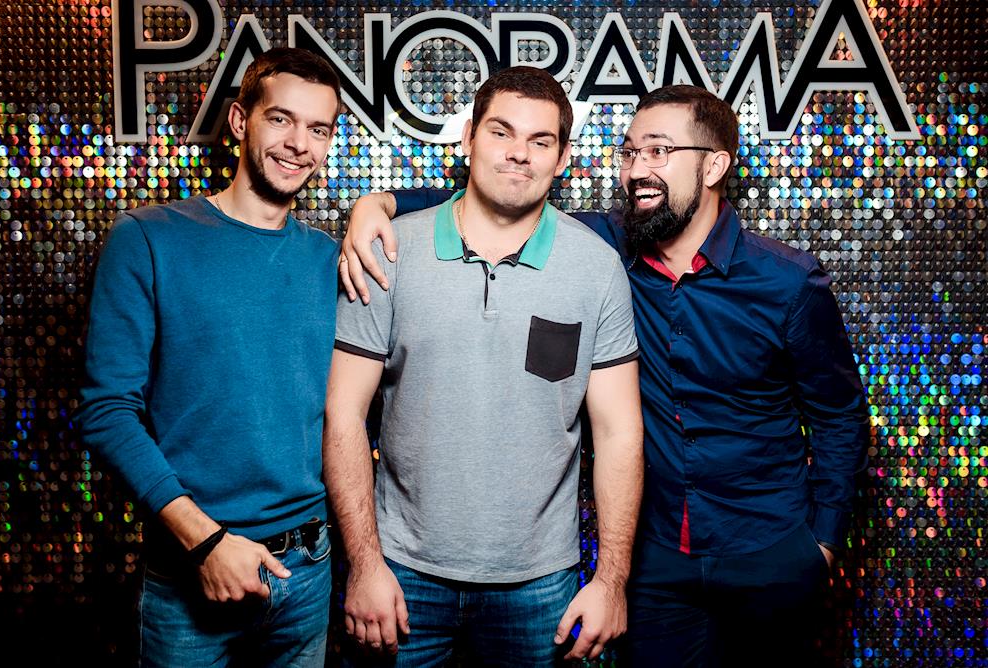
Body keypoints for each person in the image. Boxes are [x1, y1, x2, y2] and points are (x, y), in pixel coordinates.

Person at [340, 84, 870, 667]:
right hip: (658, 559)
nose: (638, 169)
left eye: (660, 151)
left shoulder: (786, 282)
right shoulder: (610, 244)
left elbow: (840, 416)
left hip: (768, 546)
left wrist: (823, 540)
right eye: (631, 152)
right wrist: (379, 204)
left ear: (714, 166)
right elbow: (501, 193)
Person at [323, 66, 643, 666]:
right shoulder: (390, 249)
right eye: (501, 132)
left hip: (541, 585)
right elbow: (343, 414)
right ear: (469, 137)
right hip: (402, 575)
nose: (519, 153)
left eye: (540, 141)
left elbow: (619, 434)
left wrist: (610, 581)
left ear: (562, 158)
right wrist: (364, 563)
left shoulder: (596, 269)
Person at [76, 48, 343, 666]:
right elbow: (106, 411)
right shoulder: (148, 237)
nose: (298, 143)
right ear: (240, 121)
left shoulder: (329, 259)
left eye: (318, 129)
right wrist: (205, 542)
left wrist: (380, 205)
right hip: (193, 567)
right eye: (281, 119)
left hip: (309, 569)